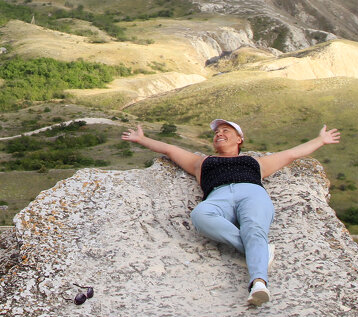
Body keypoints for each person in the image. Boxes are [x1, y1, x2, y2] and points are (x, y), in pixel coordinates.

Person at [122, 118, 341, 306]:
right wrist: (142, 140)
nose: (219, 134)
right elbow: (170, 150)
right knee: (200, 215)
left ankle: (258, 283)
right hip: (218, 196)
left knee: (254, 227)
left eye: (226, 131)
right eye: (217, 132)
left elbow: (292, 154)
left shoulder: (255, 162)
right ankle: (260, 250)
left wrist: (321, 140)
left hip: (252, 192)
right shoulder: (202, 162)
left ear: (239, 139)